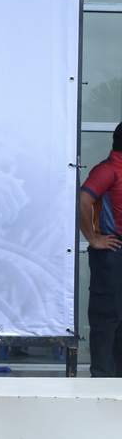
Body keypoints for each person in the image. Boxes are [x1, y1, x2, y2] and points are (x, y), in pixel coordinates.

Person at [79, 123, 122, 377]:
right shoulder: (107, 169)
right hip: (112, 254)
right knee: (107, 319)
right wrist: (93, 239)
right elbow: (83, 200)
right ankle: (102, 381)